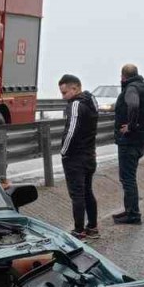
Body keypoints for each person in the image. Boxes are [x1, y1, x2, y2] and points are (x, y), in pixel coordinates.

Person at [112, 64, 144, 225]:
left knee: (127, 178)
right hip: (140, 139)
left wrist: (132, 126)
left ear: (123, 77)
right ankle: (129, 210)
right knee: (129, 177)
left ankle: (133, 214)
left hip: (129, 141)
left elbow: (133, 105)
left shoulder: (131, 88)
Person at [59, 74, 99, 239]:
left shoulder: (75, 105)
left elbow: (71, 131)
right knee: (88, 191)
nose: (62, 97)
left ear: (75, 88)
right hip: (90, 155)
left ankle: (79, 230)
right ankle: (93, 227)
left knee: (77, 194)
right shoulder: (91, 102)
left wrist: (64, 151)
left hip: (75, 157)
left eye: (64, 92)